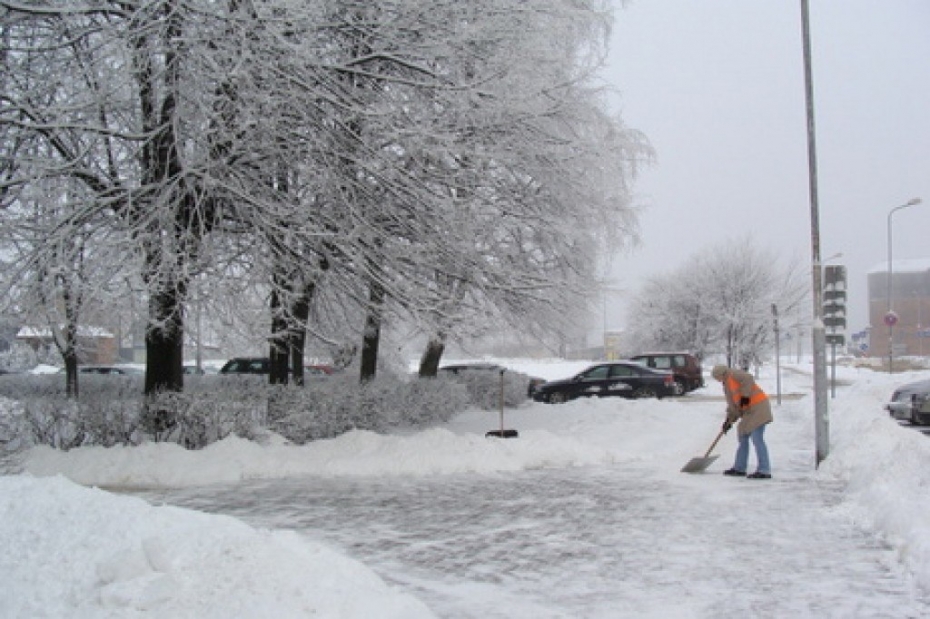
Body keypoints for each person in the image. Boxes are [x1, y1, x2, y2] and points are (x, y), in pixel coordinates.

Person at [711, 365, 773, 479]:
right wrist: (728, 421)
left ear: (722, 374)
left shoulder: (733, 374)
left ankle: (764, 470)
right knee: (742, 436)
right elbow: (733, 406)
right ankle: (740, 468)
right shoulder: (726, 386)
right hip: (749, 412)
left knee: (757, 438)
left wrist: (745, 398)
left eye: (717, 377)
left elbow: (748, 378)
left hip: (759, 408)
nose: (718, 380)